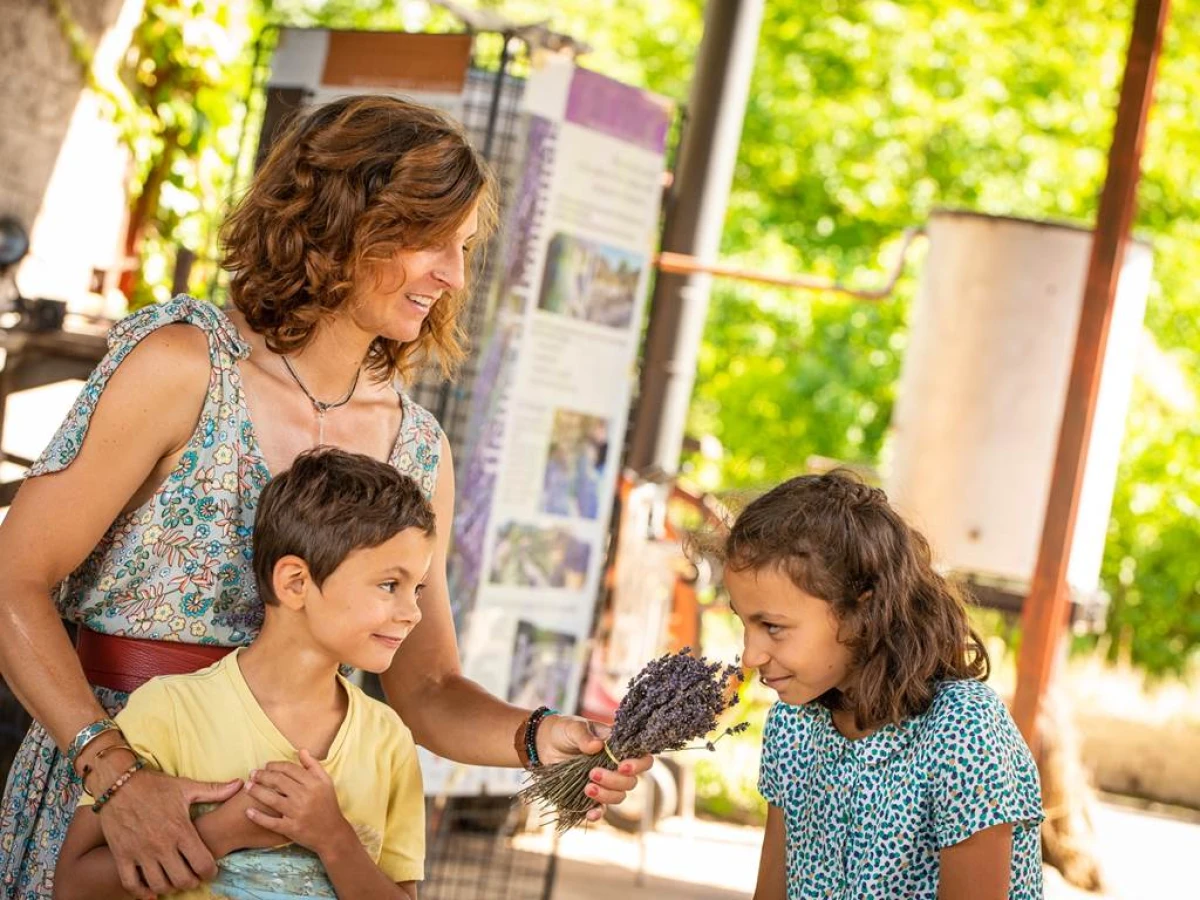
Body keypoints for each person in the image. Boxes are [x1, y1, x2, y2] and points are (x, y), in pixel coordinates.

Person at [0, 94, 649, 900]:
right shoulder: (183, 368)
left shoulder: (418, 449)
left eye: (464, 247)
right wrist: (116, 776)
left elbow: (427, 687)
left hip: (305, 838)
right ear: (342, 220)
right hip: (124, 809)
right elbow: (11, 582)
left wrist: (539, 737)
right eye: (427, 241)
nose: (451, 275)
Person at [56, 448, 435, 900]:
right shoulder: (169, 711)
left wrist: (334, 839)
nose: (412, 613)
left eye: (418, 589)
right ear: (295, 582)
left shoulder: (389, 741)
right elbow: (77, 887)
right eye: (390, 585)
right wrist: (224, 832)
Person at [713, 471, 1044, 900]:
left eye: (773, 627)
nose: (750, 656)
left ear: (860, 612)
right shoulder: (792, 726)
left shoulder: (964, 729)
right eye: (745, 623)